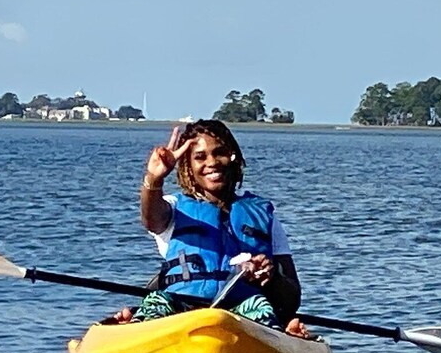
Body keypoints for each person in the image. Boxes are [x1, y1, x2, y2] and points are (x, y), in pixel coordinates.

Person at [114, 119, 309, 338]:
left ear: (233, 157)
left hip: (241, 313)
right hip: (179, 308)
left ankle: (285, 336)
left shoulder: (265, 216)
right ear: (189, 167)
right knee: (156, 302)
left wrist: (271, 276)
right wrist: (154, 178)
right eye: (200, 157)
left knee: (261, 306)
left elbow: (292, 297)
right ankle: (135, 328)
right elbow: (151, 219)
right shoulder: (174, 208)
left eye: (220, 153)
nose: (212, 162)